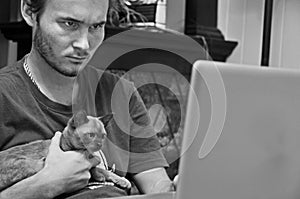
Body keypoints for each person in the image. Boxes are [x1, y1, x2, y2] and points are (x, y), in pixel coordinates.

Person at [0, 0, 175, 198]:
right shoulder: (5, 95)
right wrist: (43, 186)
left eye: (96, 27)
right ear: (29, 12)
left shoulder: (121, 93)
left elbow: (157, 186)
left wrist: (182, 188)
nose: (84, 45)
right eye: (69, 24)